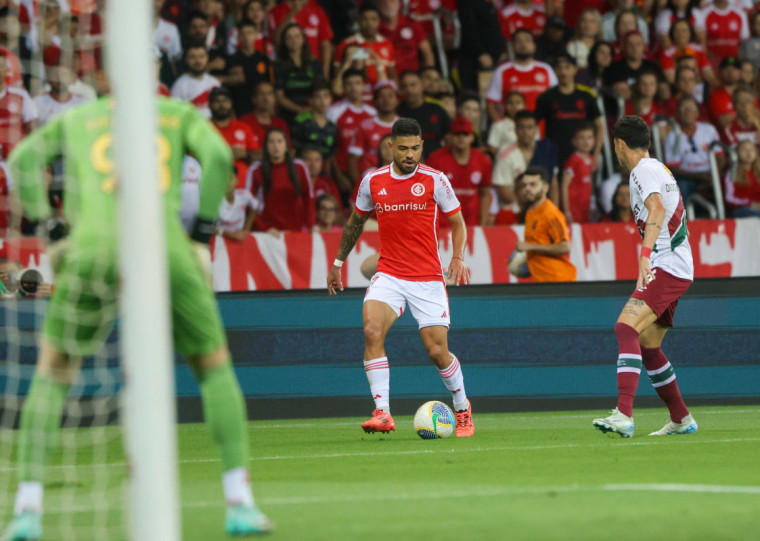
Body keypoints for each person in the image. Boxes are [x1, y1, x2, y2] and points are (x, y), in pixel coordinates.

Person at [2, 96, 272, 539]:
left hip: (92, 248)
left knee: (53, 371)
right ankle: (239, 503)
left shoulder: (78, 117)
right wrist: (202, 235)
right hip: (164, 245)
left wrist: (51, 231)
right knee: (213, 366)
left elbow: (23, 157)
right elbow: (221, 156)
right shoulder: (175, 114)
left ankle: (27, 511)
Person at [326, 118, 474, 437]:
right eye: (403, 148)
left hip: (427, 278)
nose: (410, 154)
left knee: (436, 351)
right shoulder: (373, 181)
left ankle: (462, 407)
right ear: (390, 146)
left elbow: (459, 223)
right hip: (389, 273)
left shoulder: (436, 180)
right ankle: (382, 412)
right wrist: (338, 261)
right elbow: (354, 222)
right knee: (371, 329)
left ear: (422, 146)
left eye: (416, 148)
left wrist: (458, 257)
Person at [592, 114, 698, 439]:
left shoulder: (642, 170)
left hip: (666, 264)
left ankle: (624, 414)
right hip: (676, 264)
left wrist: (644, 254)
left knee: (625, 326)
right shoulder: (659, 168)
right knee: (649, 346)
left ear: (619, 145)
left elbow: (657, 209)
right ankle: (681, 418)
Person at [534, 53, 602, 171]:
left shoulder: (587, 95)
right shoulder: (546, 97)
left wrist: (595, 154)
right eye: (559, 68)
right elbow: (534, 125)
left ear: (575, 69)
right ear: (555, 71)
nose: (563, 72)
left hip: (582, 153)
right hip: (554, 153)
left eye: (567, 67)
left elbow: (600, 127)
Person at [515, 166, 577, 282]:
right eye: (524, 185)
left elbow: (565, 247)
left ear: (545, 188)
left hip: (557, 280)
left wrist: (530, 246)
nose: (527, 189)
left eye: (533, 185)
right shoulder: (530, 211)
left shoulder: (551, 213)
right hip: (542, 279)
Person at [427, 116, 492, 227]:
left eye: (465, 135)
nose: (461, 138)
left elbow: (485, 193)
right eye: (457, 134)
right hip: (442, 226)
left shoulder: (483, 160)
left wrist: (483, 222)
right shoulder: (435, 159)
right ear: (450, 137)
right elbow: (427, 194)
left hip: (472, 224)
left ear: (472, 137)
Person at [246, 127, 313, 234]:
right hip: (267, 233)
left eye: (279, 141)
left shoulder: (300, 167)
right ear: (266, 146)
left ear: (286, 145)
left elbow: (308, 199)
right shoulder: (256, 170)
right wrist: (264, 229)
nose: (276, 146)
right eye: (271, 142)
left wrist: (311, 226)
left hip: (295, 231)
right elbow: (248, 203)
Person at [663, 95, 725, 204]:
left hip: (711, 173)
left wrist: (713, 173)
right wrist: (699, 176)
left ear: (697, 113)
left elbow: (720, 156)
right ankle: (687, 219)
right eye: (684, 109)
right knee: (682, 186)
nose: (688, 112)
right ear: (677, 113)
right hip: (687, 177)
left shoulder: (709, 129)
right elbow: (673, 167)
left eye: (691, 109)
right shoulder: (672, 136)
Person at [485, 29, 557, 122]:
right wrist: (502, 127)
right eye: (519, 41)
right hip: (511, 132)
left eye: (527, 40)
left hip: (542, 131)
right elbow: (490, 104)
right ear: (512, 46)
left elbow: (557, 99)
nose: (523, 44)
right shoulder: (502, 71)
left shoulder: (546, 69)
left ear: (534, 46)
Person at [333, 3, 397, 101]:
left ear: (379, 21)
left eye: (373, 19)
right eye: (364, 19)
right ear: (358, 21)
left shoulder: (387, 44)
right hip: (355, 99)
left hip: (380, 101)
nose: (369, 23)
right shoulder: (346, 44)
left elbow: (392, 74)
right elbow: (337, 75)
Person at [347, 80, 399, 184]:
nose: (386, 100)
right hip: (371, 184)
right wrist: (360, 188)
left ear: (397, 100)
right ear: (375, 100)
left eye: (390, 95)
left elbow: (418, 158)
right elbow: (352, 160)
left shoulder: (407, 127)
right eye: (382, 96)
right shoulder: (364, 126)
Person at [273, 23, 326, 123]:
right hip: (289, 115)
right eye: (289, 37)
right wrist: (300, 110)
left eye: (297, 36)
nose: (293, 40)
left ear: (303, 39)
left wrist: (313, 110)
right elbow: (279, 96)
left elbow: (321, 90)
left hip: (313, 112)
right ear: (284, 42)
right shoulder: (278, 65)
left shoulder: (314, 62)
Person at [268, 0, 333, 79]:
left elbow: (326, 44)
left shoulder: (316, 9)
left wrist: (325, 73)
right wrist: (293, 12)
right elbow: (277, 39)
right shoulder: (276, 11)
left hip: (313, 66)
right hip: (287, 67)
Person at [208, 86, 259, 185]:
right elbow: (192, 158)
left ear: (231, 104)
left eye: (225, 101)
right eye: (217, 101)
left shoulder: (243, 127)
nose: (222, 105)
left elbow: (257, 156)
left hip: (243, 186)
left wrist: (246, 154)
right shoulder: (203, 129)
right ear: (210, 105)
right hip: (213, 185)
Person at [224, 19, 272, 116]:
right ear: (239, 37)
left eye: (249, 33)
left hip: (261, 110)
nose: (246, 37)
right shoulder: (232, 60)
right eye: (243, 34)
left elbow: (270, 84)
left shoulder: (264, 59)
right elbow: (228, 89)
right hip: (240, 109)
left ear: (255, 35)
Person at [397, 70, 450, 158]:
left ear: (422, 86)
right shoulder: (397, 112)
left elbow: (449, 137)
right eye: (404, 86)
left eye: (413, 85)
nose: (409, 90)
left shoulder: (437, 110)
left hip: (437, 163)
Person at [377, 0, 434, 74]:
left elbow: (427, 53)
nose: (388, 5)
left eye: (392, 1)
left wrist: (429, 74)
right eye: (384, 2)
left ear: (399, 2)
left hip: (413, 75)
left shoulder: (412, 24)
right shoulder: (374, 28)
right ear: (378, 4)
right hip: (386, 77)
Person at [170, 41, 220, 118]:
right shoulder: (179, 85)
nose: (198, 61)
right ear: (186, 59)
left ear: (207, 58)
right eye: (193, 57)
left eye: (201, 56)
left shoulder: (214, 82)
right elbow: (175, 115)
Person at [238, 80, 291, 150]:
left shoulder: (280, 123)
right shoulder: (244, 122)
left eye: (269, 93)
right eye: (261, 93)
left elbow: (288, 150)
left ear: (274, 99)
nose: (265, 98)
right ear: (254, 99)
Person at [560, 122, 596, 223]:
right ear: (574, 141)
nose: (586, 142)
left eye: (589, 138)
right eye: (581, 138)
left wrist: (592, 202)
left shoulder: (591, 159)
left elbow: (590, 182)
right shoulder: (573, 160)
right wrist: (567, 211)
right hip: (573, 209)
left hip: (585, 208)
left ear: (594, 140)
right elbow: (564, 186)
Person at [216, 168, 260, 240]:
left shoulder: (244, 195)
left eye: (230, 178)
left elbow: (255, 206)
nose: (227, 183)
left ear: (237, 181)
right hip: (219, 240)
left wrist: (247, 227)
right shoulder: (213, 201)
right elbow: (207, 228)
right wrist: (229, 234)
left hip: (239, 239)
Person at [724, 139, 760, 218]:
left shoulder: (758, 171)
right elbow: (729, 198)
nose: (749, 153)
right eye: (744, 150)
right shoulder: (732, 172)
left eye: (751, 150)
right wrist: (749, 203)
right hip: (743, 209)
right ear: (737, 153)